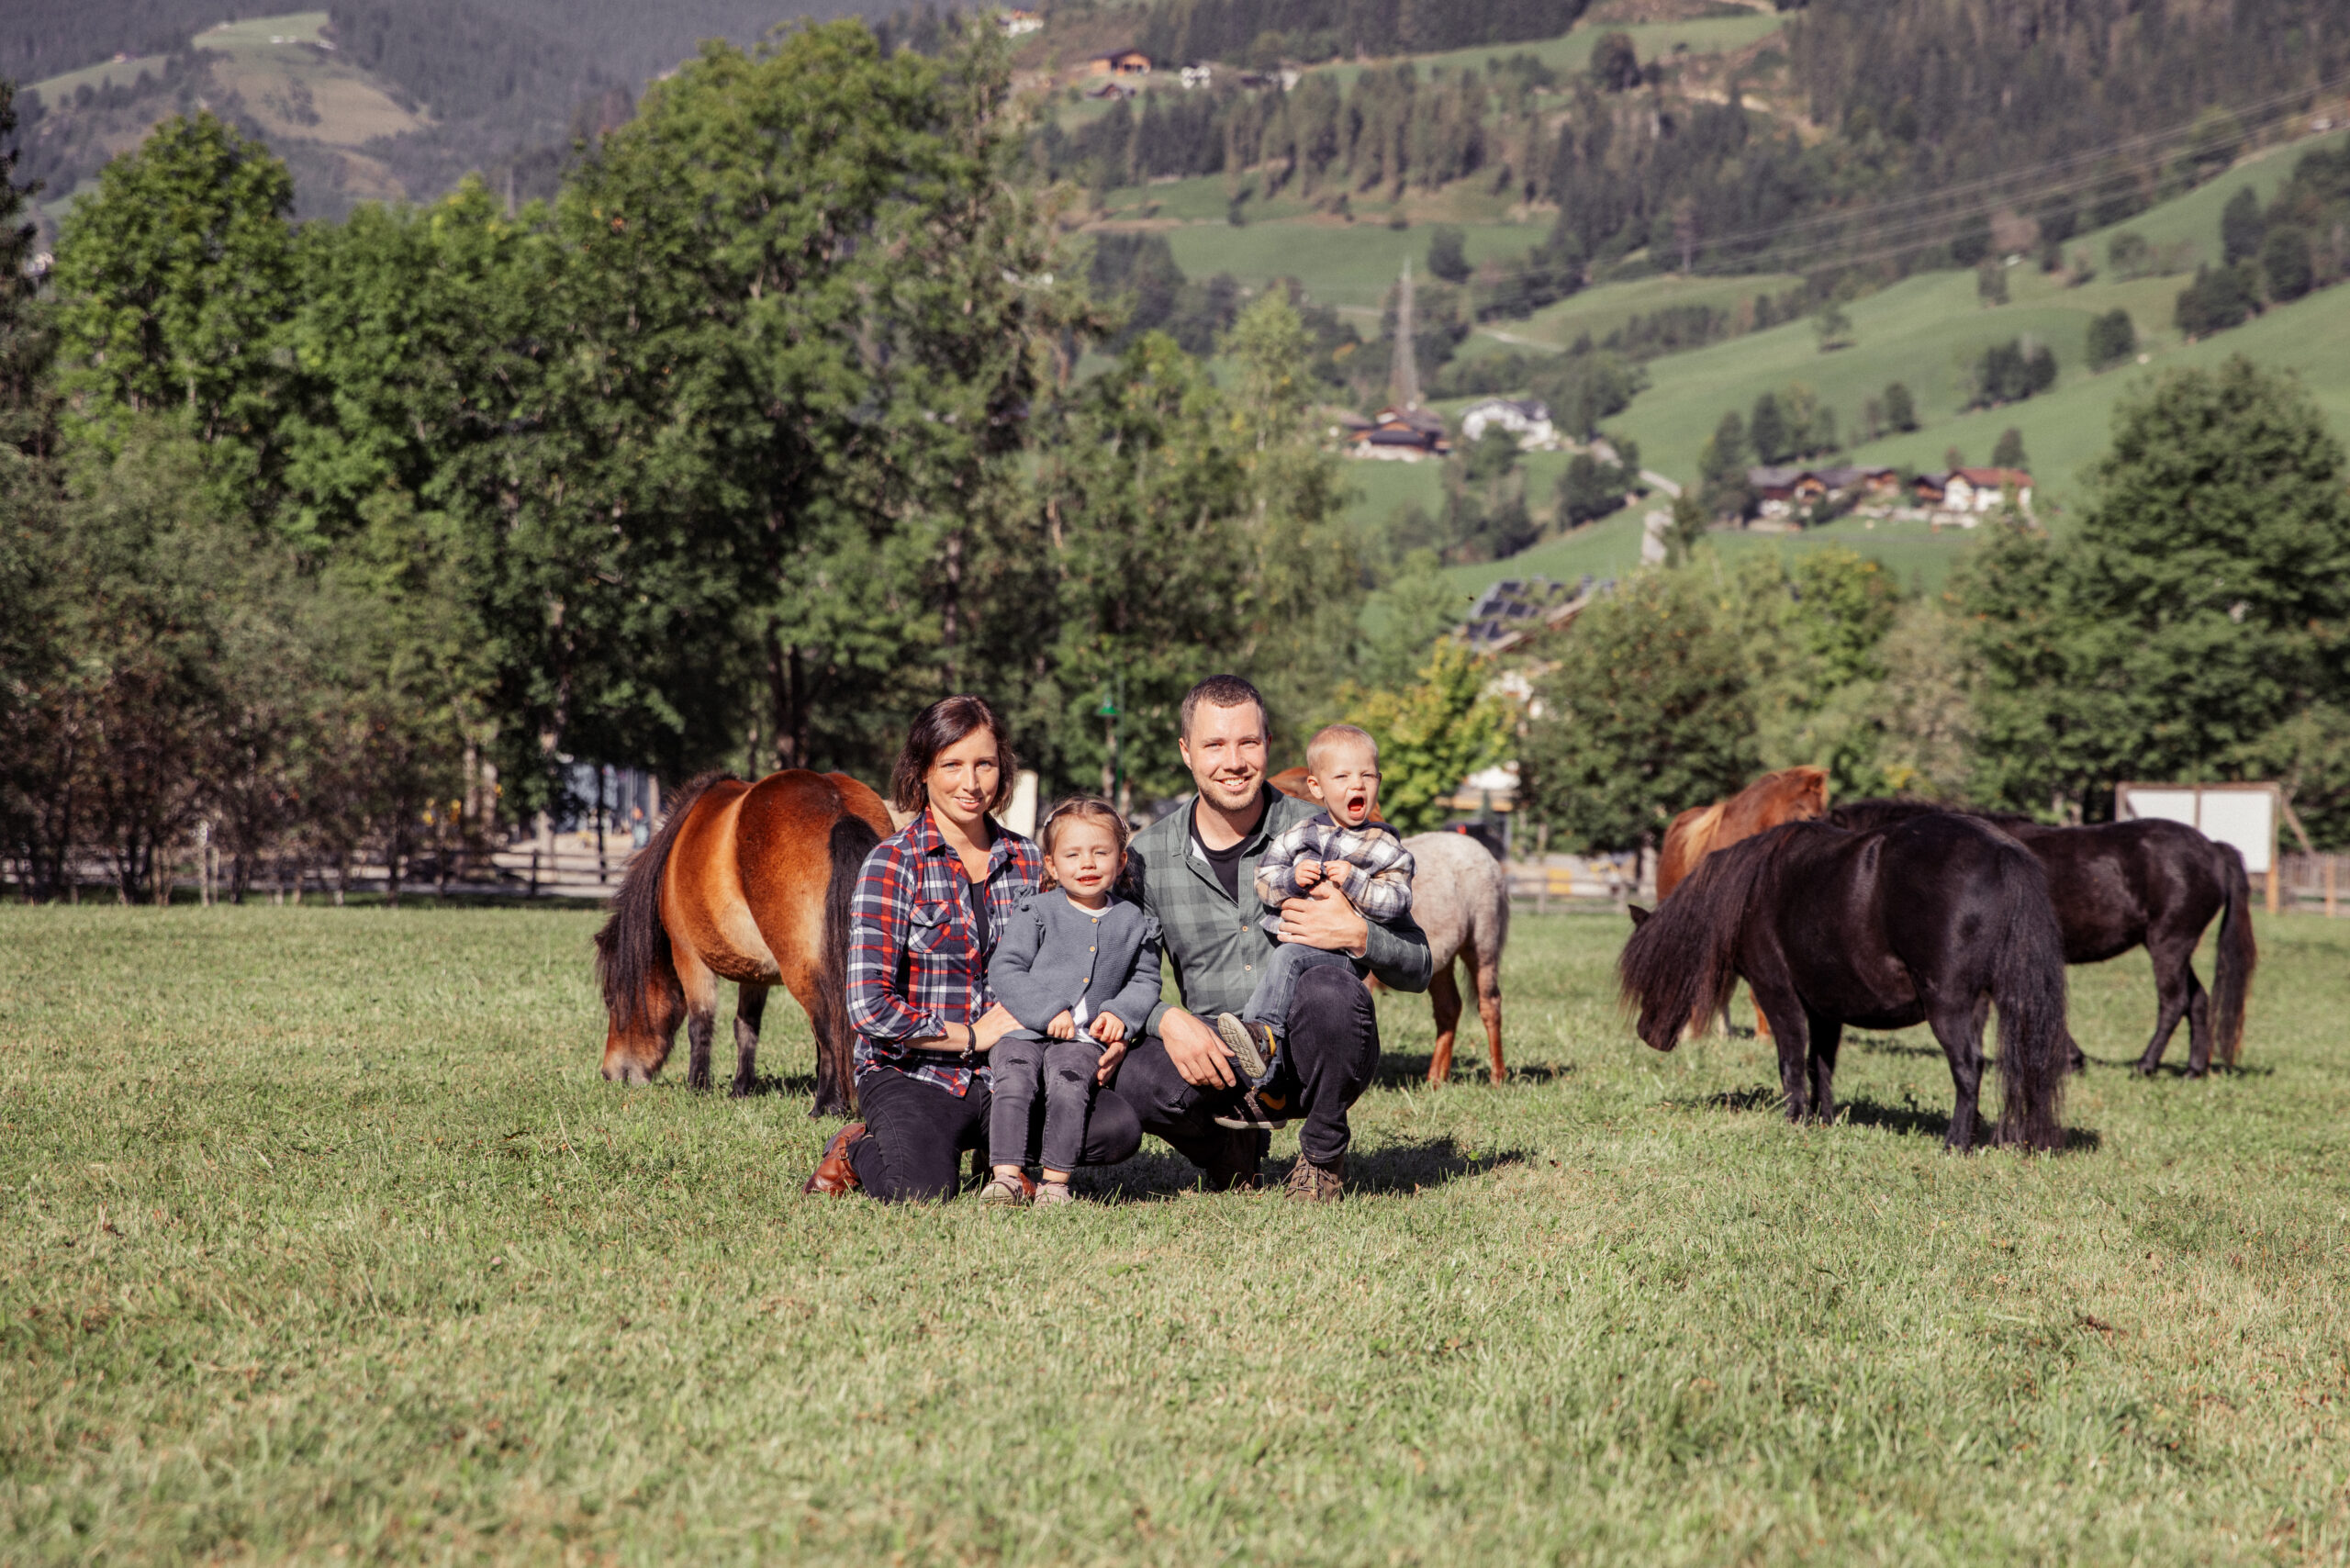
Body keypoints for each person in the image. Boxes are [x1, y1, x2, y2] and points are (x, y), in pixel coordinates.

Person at [804, 697, 1143, 1202]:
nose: (971, 783)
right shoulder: (892, 864)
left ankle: (999, 1157)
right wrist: (970, 1035)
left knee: (1114, 1129)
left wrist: (1108, 1027)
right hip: (914, 1069)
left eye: (984, 764)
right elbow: (866, 1006)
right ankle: (855, 1149)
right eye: (952, 765)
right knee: (917, 1189)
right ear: (922, 771)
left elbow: (1080, 956)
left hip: (1015, 1066)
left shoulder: (1030, 860)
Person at [1110, 676, 1432, 1202]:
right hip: (1220, 1050)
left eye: (1248, 743)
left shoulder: (1331, 833)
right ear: (1187, 752)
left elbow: (1419, 964)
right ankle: (1227, 1151)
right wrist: (1167, 1019)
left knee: (1333, 992)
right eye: (1214, 744)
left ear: (1268, 745)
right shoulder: (1146, 854)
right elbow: (1125, 976)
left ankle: (1322, 1156)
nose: (1233, 761)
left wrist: (1359, 934)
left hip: (1314, 1045)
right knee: (1132, 1073)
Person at [1214, 724, 1413, 1127]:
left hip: (1341, 961)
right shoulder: (1302, 833)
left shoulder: (1386, 847)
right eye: (1341, 776)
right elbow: (1265, 880)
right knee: (1285, 965)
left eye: (1367, 776)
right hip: (1297, 941)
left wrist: (1354, 885)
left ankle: (1262, 1035)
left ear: (1378, 783)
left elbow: (1397, 902)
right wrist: (1292, 878)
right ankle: (1269, 1083)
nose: (1356, 784)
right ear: (1316, 787)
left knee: (1287, 961)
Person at [979, 798, 1163, 1206]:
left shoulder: (1134, 921)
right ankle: (1006, 1175)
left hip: (1082, 1040)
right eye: (1073, 854)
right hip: (1023, 1031)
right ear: (1051, 865)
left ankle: (1055, 1183)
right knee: (1013, 1081)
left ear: (1121, 861)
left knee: (1071, 1087)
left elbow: (1146, 978)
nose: (1088, 864)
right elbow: (1006, 968)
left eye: (1101, 853)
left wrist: (1121, 1013)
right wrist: (1047, 1011)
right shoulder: (1038, 911)